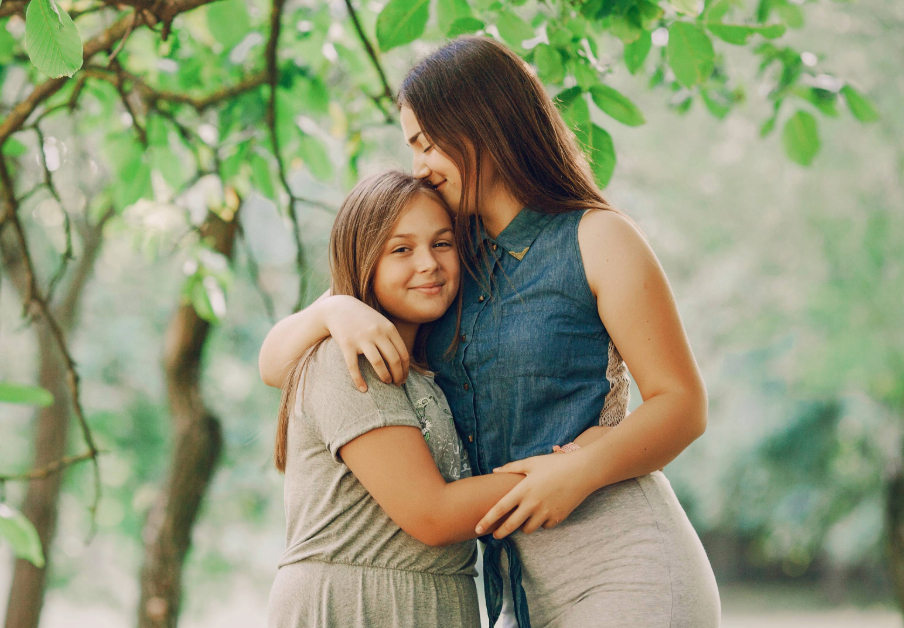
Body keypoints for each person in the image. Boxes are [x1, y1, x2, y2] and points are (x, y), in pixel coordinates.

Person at [261, 37, 721, 628]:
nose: (419, 164)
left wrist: (579, 469)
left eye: (428, 143)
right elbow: (277, 361)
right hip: (517, 584)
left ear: (484, 125)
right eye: (412, 147)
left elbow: (682, 405)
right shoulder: (440, 258)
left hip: (621, 558)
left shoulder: (597, 237)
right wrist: (335, 311)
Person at [267, 171, 610, 628]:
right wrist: (579, 461)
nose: (428, 263)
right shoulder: (349, 358)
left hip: (433, 601)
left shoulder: (433, 365)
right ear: (364, 260)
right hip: (357, 605)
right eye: (401, 249)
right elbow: (433, 514)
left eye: (442, 243)